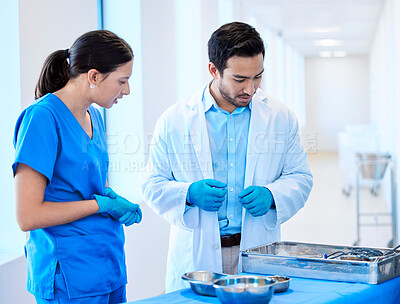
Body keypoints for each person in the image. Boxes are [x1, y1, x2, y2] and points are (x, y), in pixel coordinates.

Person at [141, 21, 313, 292]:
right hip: (198, 255)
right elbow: (152, 183)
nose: (251, 89)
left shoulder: (280, 117)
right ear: (214, 70)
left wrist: (272, 195)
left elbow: (300, 177)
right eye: (240, 79)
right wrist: (188, 193)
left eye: (258, 76)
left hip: (256, 248)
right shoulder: (174, 120)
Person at [13, 30, 142, 304]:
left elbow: (84, 185)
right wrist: (100, 205)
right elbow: (28, 216)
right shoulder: (42, 119)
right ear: (94, 76)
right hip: (69, 275)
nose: (127, 90)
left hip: (107, 264)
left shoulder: (94, 115)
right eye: (122, 81)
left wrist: (112, 198)